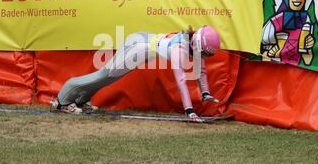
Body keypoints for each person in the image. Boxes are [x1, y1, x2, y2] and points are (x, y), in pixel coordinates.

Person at [50, 26, 222, 122]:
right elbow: (182, 80)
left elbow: (201, 69)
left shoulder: (193, 45)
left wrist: (206, 93)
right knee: (105, 74)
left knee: (109, 78)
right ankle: (62, 100)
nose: (206, 57)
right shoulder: (180, 51)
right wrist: (189, 111)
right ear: (198, 45)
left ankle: (80, 100)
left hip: (142, 44)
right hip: (138, 46)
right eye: (207, 53)